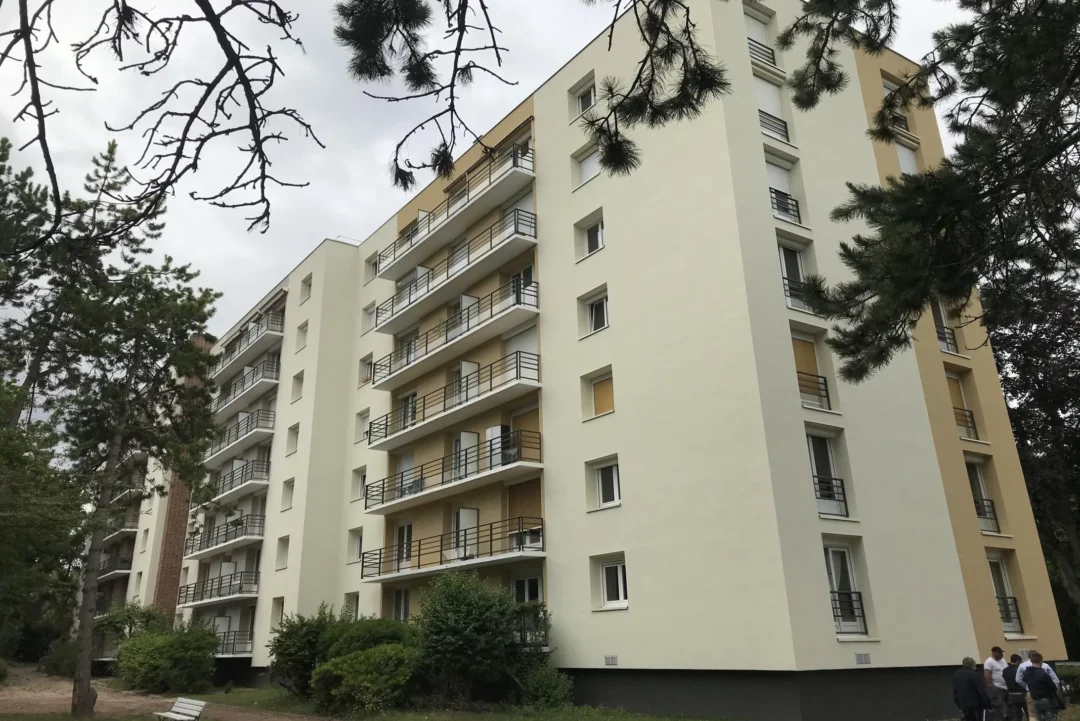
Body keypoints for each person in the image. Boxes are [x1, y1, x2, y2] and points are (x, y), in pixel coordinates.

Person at [1017, 651, 1063, 721]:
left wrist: (1027, 687)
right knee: (1050, 718)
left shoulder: (1027, 673)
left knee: (1034, 716)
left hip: (1035, 698)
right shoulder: (1043, 673)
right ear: (1041, 661)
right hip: (1046, 698)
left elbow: (1019, 680)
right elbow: (1053, 685)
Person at [955, 656, 993, 721]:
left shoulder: (956, 675)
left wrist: (959, 705)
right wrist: (988, 704)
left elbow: (955, 691)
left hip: (963, 704)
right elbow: (982, 692)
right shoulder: (975, 675)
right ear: (972, 664)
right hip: (976, 705)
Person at [986, 646, 1009, 720]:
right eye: (999, 653)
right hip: (997, 687)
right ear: (994, 653)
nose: (1001, 655)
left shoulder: (1003, 660)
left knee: (1008, 705)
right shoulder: (989, 662)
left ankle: (1007, 718)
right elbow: (987, 674)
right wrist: (992, 686)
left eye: (1001, 653)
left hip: (1006, 686)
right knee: (998, 705)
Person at [1003, 653, 1028, 721]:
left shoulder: (1005, 670)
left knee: (1016, 714)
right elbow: (1022, 680)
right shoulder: (1018, 670)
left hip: (1011, 694)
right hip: (1021, 693)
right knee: (1027, 713)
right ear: (1017, 661)